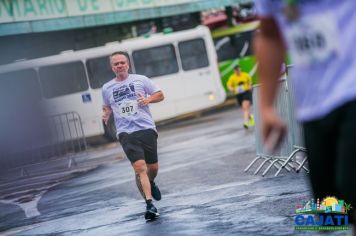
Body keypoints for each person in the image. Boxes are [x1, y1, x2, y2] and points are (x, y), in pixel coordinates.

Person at [254, 0, 356, 230]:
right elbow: (269, 33)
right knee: (334, 213)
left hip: (352, 94)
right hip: (313, 108)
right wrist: (267, 107)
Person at [102, 51, 164, 220]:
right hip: (126, 133)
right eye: (116, 64)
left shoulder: (141, 80)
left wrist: (147, 100)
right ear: (112, 67)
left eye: (122, 62)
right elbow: (107, 106)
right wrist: (106, 114)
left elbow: (160, 95)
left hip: (146, 128)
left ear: (127, 64)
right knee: (140, 168)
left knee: (153, 168)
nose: (119, 65)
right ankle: (149, 204)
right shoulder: (107, 88)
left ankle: (150, 183)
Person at [226, 65, 255, 129]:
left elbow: (250, 82)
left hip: (246, 92)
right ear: (234, 71)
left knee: (245, 106)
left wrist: (250, 86)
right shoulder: (232, 78)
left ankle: (246, 123)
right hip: (239, 94)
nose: (238, 72)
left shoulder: (245, 75)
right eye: (236, 71)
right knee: (245, 109)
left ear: (240, 70)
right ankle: (251, 117)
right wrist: (232, 89)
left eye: (239, 70)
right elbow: (229, 86)